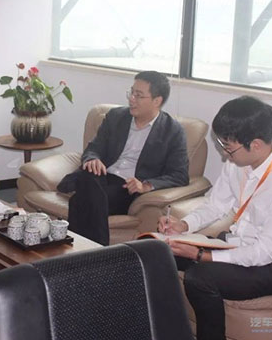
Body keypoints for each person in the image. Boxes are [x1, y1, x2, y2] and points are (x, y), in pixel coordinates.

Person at [158, 96, 272, 340]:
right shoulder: (238, 162)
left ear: (256, 145)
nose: (224, 153)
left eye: (228, 147)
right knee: (159, 252)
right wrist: (184, 225)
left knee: (201, 278)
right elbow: (215, 205)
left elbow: (264, 252)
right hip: (235, 243)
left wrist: (201, 255)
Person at [59, 71, 189, 245]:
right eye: (131, 92)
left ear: (157, 101)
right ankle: (96, 254)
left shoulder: (172, 131)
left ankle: (81, 251)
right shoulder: (116, 117)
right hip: (99, 175)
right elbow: (94, 148)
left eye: (139, 95)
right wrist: (92, 159)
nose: (132, 99)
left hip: (125, 187)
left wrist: (146, 185)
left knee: (81, 197)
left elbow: (180, 175)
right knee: (90, 180)